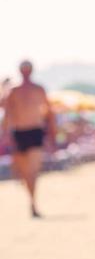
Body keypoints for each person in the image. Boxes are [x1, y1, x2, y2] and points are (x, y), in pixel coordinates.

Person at [1, 60, 55, 217]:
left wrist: (52, 134)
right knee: (25, 172)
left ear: (31, 71)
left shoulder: (39, 89)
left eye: (27, 69)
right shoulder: (12, 90)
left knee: (32, 170)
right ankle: (31, 200)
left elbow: (49, 113)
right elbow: (6, 113)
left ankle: (33, 203)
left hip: (35, 131)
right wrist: (5, 134)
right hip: (18, 132)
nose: (25, 72)